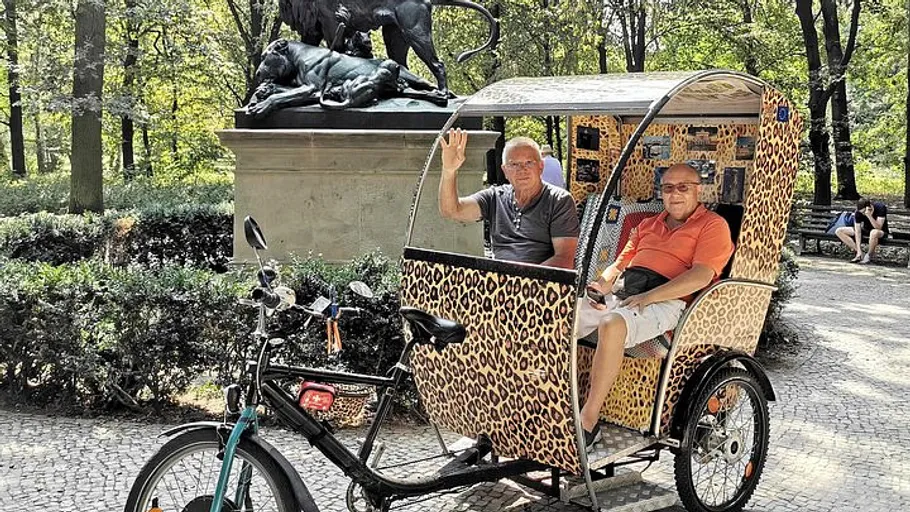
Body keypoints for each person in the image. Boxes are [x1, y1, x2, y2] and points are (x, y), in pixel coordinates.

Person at [576, 163, 733, 450]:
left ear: (698, 190)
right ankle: (554, 401)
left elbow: (701, 276)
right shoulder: (648, 225)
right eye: (668, 188)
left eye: (683, 187)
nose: (675, 194)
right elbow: (618, 266)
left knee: (612, 324)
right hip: (628, 292)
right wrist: (598, 288)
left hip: (668, 301)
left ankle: (588, 421)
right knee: (561, 315)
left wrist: (649, 297)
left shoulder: (712, 225)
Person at [438, 129, 579, 269]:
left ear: (541, 166)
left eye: (529, 162)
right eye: (514, 164)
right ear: (505, 170)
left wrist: (519, 279)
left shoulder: (559, 200)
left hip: (540, 281)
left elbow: (564, 260)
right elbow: (452, 210)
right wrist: (449, 171)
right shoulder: (494, 197)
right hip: (497, 278)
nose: (522, 169)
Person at [835, 198, 889, 264]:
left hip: (880, 232)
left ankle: (868, 256)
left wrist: (869, 215)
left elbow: (878, 227)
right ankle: (860, 254)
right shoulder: (858, 212)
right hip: (866, 230)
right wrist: (859, 250)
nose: (863, 214)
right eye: (861, 213)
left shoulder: (880, 207)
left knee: (874, 232)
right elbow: (857, 231)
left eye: (863, 212)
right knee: (839, 231)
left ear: (869, 207)